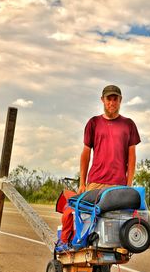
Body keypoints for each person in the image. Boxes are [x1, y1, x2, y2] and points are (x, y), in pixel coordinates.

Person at [56, 84, 141, 251]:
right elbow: (86, 154)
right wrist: (82, 183)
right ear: (103, 100)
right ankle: (71, 245)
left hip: (118, 185)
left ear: (120, 100)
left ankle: (106, 269)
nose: (112, 102)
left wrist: (128, 184)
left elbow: (132, 157)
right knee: (88, 222)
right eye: (109, 98)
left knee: (113, 228)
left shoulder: (128, 124)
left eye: (115, 98)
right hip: (95, 182)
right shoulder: (94, 123)